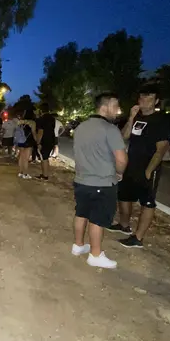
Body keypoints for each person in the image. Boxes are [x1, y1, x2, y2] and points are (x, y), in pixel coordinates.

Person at [72, 93, 127, 269]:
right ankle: (95, 255)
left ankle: (78, 246)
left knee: (81, 213)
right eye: (115, 106)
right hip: (102, 183)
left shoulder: (81, 127)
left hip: (81, 180)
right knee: (97, 218)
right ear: (105, 107)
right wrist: (119, 173)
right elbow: (121, 159)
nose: (118, 111)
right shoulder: (110, 129)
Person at [113, 84, 170, 249]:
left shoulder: (160, 121)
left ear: (156, 101)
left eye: (149, 98)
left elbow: (161, 149)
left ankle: (138, 238)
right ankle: (124, 225)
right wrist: (131, 117)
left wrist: (148, 171)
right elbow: (124, 137)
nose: (144, 101)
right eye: (142, 97)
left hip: (148, 167)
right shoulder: (137, 117)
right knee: (123, 195)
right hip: (131, 164)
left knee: (147, 202)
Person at [35, 103, 57, 181]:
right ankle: (45, 174)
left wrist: (38, 142)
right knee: (46, 157)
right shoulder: (52, 118)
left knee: (43, 158)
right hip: (51, 140)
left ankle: (45, 176)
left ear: (41, 110)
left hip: (44, 141)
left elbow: (40, 132)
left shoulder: (41, 119)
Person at [15, 110, 37, 179]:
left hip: (20, 141)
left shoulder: (20, 122)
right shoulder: (32, 122)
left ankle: (20, 173)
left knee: (21, 157)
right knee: (26, 159)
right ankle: (25, 174)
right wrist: (37, 141)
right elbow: (33, 133)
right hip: (28, 142)